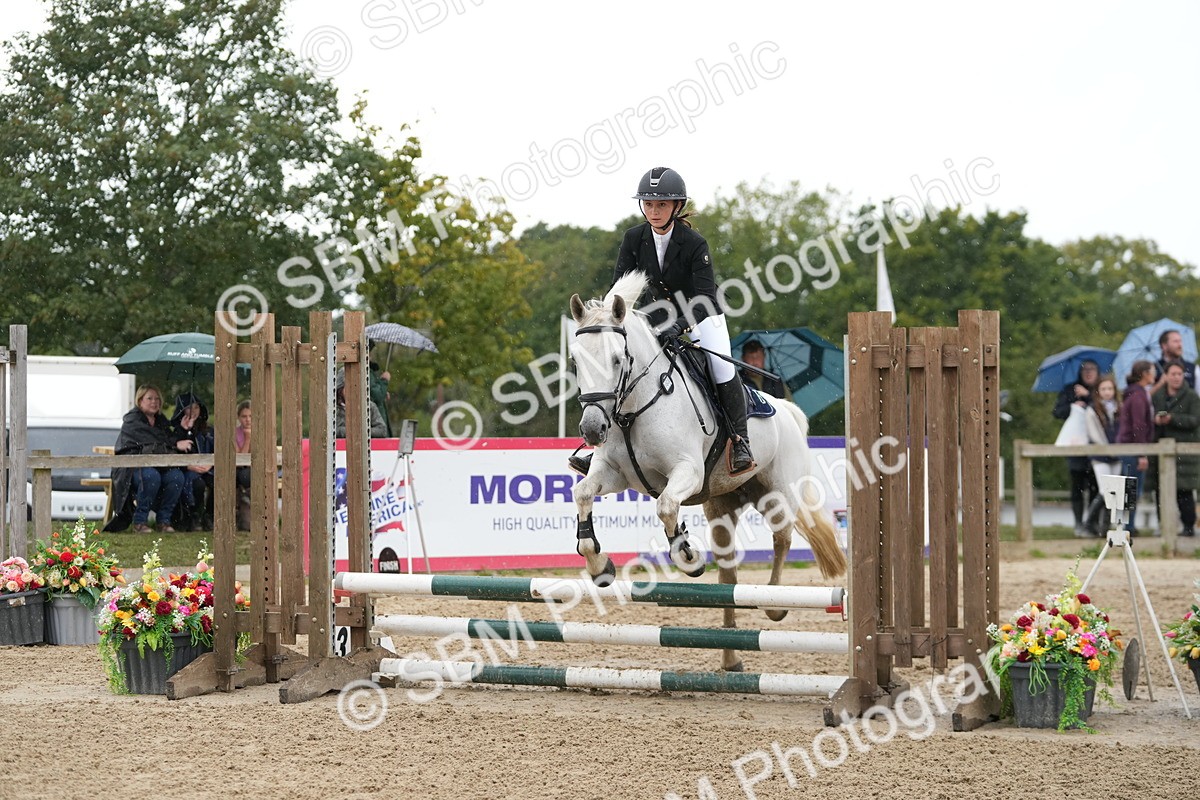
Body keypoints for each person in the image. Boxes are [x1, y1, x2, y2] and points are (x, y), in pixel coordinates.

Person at [571, 166, 755, 476]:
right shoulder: (634, 238)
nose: (654, 211)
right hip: (655, 315)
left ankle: (740, 440)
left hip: (701, 314)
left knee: (721, 367)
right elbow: (619, 289)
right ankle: (602, 450)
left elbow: (705, 298)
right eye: (648, 204)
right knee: (621, 365)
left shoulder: (694, 243)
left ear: (677, 206)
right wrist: (609, 322)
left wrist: (680, 326)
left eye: (661, 204)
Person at [107, 384, 192, 533]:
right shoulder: (132, 421)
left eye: (157, 399)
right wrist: (175, 445)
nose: (154, 402)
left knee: (176, 477)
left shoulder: (160, 421)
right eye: (150, 398)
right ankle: (140, 522)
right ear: (140, 401)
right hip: (131, 469)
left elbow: (170, 441)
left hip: (159, 466)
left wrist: (182, 429)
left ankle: (164, 521)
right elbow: (151, 446)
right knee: (150, 476)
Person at [1052, 359, 1100, 537]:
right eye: (1085, 369)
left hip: (1096, 446)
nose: (1088, 372)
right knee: (1077, 487)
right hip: (1076, 446)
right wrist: (1073, 406)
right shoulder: (1069, 390)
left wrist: (1089, 396)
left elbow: (1106, 409)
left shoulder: (1101, 389)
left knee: (1097, 487)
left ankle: (1092, 523)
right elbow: (1057, 412)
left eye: (1092, 369)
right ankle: (1078, 523)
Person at [1152, 361, 1200, 537]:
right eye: (1173, 374)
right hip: (1161, 447)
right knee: (1160, 491)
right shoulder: (1158, 396)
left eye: (1180, 374)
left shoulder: (1191, 396)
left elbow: (1195, 420)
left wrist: (1173, 419)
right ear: (1166, 376)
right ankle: (1163, 525)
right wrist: (1157, 420)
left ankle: (1188, 526)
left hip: (1184, 451)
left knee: (1184, 491)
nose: (1177, 377)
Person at [1117, 360, 1157, 536]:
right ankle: (1128, 527)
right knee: (1132, 489)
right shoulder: (1138, 396)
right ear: (1144, 374)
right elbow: (1138, 426)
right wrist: (1142, 453)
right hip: (1132, 449)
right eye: (1152, 371)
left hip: (1129, 448)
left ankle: (1127, 525)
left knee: (1129, 488)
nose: (1154, 374)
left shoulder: (1135, 393)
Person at [1082, 375, 1121, 536]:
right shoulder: (1092, 410)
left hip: (1117, 454)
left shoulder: (1120, 408)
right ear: (1098, 391)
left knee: (1114, 491)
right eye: (1103, 389)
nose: (1107, 392)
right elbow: (1094, 434)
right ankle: (1088, 523)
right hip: (1100, 454)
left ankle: (1105, 527)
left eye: (1110, 388)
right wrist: (1107, 448)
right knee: (1105, 490)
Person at [170, 393, 214, 531]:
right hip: (187, 471)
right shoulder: (176, 432)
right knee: (197, 484)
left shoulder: (208, 431)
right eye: (189, 407)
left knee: (219, 481)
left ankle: (210, 516)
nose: (193, 411)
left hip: (209, 469)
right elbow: (174, 453)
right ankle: (194, 516)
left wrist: (209, 464)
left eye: (196, 407)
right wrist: (185, 430)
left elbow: (217, 450)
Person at [335, 369, 388, 438]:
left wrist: (362, 432)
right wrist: (349, 432)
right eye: (349, 387)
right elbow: (327, 430)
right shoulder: (332, 408)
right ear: (340, 390)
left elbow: (382, 430)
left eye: (356, 387)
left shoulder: (369, 406)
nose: (353, 391)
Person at [234, 400, 252, 531]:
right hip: (239, 468)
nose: (248, 420)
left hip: (253, 469)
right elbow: (241, 460)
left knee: (247, 476)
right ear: (239, 418)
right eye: (244, 416)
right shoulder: (234, 433)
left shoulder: (262, 432)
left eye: (251, 416)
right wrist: (247, 439)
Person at [369, 359, 393, 437]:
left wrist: (383, 391)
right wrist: (384, 381)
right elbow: (377, 395)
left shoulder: (370, 371)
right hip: (375, 427)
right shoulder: (367, 371)